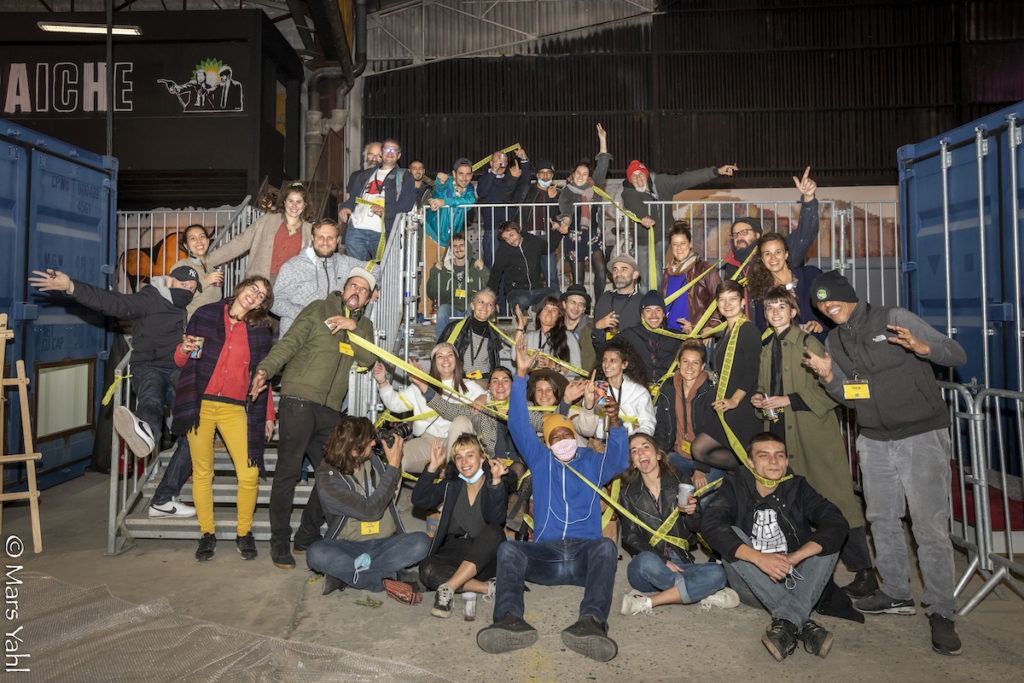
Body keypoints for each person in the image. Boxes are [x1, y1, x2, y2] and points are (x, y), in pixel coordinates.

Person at [803, 270, 967, 656]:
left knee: (928, 526)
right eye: (820, 304)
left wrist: (923, 348)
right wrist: (829, 378)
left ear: (848, 294)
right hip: (874, 440)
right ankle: (895, 593)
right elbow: (853, 395)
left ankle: (941, 610)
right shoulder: (835, 340)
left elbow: (956, 354)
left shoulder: (894, 318)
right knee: (881, 519)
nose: (827, 307)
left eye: (831, 298)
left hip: (921, 435)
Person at [476, 335, 628, 662]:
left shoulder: (591, 462)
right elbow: (518, 424)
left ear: (574, 437)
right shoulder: (541, 461)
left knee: (606, 547)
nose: (561, 440)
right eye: (555, 437)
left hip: (584, 556)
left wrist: (615, 423)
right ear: (547, 443)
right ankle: (508, 619)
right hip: (546, 555)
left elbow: (618, 461)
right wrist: (520, 375)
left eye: (565, 435)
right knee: (508, 549)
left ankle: (591, 623)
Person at [250, 268, 377, 569]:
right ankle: (279, 540)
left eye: (363, 289)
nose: (357, 291)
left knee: (334, 473)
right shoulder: (319, 308)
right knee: (288, 471)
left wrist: (353, 328)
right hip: (298, 399)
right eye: (353, 285)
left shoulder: (365, 325)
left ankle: (306, 535)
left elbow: (368, 358)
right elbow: (290, 342)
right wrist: (266, 369)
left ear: (368, 298)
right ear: (344, 288)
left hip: (330, 408)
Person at [28, 265, 200, 470]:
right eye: (184, 285)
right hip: (149, 366)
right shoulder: (149, 299)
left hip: (176, 367)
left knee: (192, 420)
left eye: (192, 288)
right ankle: (147, 433)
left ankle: (171, 479)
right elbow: (113, 302)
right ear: (169, 281)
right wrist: (72, 286)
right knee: (151, 396)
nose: (188, 290)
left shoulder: (181, 307)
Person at [701, 432, 849, 662]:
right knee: (733, 535)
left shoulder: (797, 486)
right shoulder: (735, 485)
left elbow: (836, 521)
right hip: (752, 585)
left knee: (827, 540)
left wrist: (795, 557)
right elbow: (711, 525)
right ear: (750, 462)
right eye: (764, 455)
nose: (773, 461)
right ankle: (802, 622)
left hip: (796, 578)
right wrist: (760, 559)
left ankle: (787, 623)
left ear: (786, 461)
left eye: (779, 455)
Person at [171, 277, 275, 561]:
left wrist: (268, 413)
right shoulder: (206, 315)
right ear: (241, 287)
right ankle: (207, 533)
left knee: (249, 473)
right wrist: (182, 350)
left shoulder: (260, 330)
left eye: (262, 295)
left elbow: (262, 376)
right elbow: (183, 361)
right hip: (200, 403)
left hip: (235, 408)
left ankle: (244, 532)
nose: (255, 295)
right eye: (253, 288)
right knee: (202, 473)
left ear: (263, 305)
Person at [305, 416, 431, 602]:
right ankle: (388, 578)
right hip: (348, 546)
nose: (373, 443)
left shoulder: (373, 458)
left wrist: (393, 448)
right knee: (315, 554)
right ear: (354, 451)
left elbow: (385, 451)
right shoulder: (327, 479)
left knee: (422, 542)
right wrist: (393, 467)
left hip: (385, 544)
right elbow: (370, 511)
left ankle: (347, 576)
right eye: (368, 441)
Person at [618, 433, 738, 615]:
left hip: (681, 561)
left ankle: (650, 601)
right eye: (634, 451)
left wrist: (693, 513)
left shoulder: (680, 481)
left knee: (717, 572)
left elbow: (694, 529)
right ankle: (698, 591)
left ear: (658, 455)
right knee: (644, 562)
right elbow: (630, 537)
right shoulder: (627, 492)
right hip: (650, 564)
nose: (640, 453)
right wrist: (662, 560)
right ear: (633, 463)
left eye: (645, 447)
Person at [413, 435, 509, 618]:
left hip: (484, 557)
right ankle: (487, 587)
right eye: (459, 457)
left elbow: (497, 518)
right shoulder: (452, 484)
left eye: (470, 455)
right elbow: (420, 500)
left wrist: (496, 482)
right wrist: (432, 467)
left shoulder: (492, 484)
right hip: (454, 552)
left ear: (482, 458)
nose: (464, 462)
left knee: (494, 531)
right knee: (427, 570)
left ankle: (448, 588)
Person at [373, 343, 486, 472]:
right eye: (440, 356)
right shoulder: (420, 385)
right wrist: (382, 382)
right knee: (396, 458)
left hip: (459, 445)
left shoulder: (470, 386)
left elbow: (494, 401)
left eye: (450, 355)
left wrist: (485, 397)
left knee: (461, 420)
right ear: (434, 363)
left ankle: (452, 474)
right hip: (428, 442)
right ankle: (385, 486)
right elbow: (395, 404)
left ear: (456, 360)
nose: (446, 359)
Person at [622, 160, 737, 282]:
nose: (638, 179)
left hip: (662, 238)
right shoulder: (628, 191)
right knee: (644, 278)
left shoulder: (662, 182)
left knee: (656, 268)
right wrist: (644, 217)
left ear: (646, 175)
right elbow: (634, 203)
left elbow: (686, 178)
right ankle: (646, 292)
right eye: (634, 176)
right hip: (642, 239)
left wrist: (715, 171)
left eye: (640, 174)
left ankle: (658, 293)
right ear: (630, 180)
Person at [700, 280, 762, 471]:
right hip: (725, 402)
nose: (727, 304)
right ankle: (745, 472)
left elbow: (753, 371)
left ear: (743, 302)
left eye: (732, 299)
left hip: (740, 405)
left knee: (701, 449)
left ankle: (751, 471)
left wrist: (734, 400)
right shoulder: (726, 331)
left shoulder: (747, 330)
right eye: (722, 300)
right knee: (701, 450)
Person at [722, 168, 818, 286]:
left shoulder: (772, 256)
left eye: (744, 232)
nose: (739, 237)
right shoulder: (731, 264)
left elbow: (805, 234)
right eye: (735, 234)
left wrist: (809, 200)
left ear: (758, 235)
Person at [271, 218, 367, 336]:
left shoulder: (344, 262)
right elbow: (274, 302)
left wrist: (372, 286)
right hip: (296, 338)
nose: (325, 242)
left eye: (330, 238)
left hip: (328, 340)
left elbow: (374, 269)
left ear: (337, 240)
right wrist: (308, 313)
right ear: (312, 238)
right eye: (320, 237)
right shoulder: (293, 266)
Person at [653, 340, 726, 492]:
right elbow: (661, 425)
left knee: (697, 496)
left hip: (707, 461)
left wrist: (700, 468)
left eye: (695, 363)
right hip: (677, 455)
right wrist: (659, 454)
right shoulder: (668, 387)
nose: (689, 367)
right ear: (679, 363)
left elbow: (714, 434)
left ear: (702, 366)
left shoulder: (711, 392)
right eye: (685, 361)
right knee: (659, 485)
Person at [207, 182, 312, 283]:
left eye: (299, 202)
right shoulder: (267, 220)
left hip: (291, 287)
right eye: (291, 201)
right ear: (284, 202)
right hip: (261, 284)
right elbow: (240, 243)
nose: (294, 206)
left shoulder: (309, 231)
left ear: (305, 205)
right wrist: (207, 261)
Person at [555, 124, 611, 302]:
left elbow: (603, 165)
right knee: (578, 279)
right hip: (574, 236)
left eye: (585, 174)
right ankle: (580, 308)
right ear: (573, 175)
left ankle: (600, 305)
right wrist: (565, 223)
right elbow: (566, 210)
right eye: (578, 173)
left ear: (589, 177)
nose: (580, 176)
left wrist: (602, 139)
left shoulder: (594, 188)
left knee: (601, 269)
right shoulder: (567, 192)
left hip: (592, 234)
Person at [339, 138, 416, 260]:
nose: (390, 153)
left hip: (383, 232)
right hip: (356, 229)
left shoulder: (405, 176)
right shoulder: (364, 175)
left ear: (399, 155)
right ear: (382, 153)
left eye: (394, 151)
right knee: (355, 268)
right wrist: (345, 207)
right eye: (387, 149)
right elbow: (353, 198)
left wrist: (386, 211)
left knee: (383, 270)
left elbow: (407, 203)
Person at [746, 232, 827, 341]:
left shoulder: (811, 275)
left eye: (778, 252)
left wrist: (820, 324)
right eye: (767, 254)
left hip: (819, 344)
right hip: (785, 348)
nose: (773, 258)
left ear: (786, 254)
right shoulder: (762, 292)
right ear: (762, 259)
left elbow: (833, 305)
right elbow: (763, 332)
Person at [576, 339, 655, 439]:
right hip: (602, 444)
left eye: (612, 360)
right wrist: (630, 428)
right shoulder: (596, 390)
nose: (606, 365)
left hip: (630, 444)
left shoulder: (639, 392)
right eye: (604, 360)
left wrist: (623, 431)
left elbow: (648, 427)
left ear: (624, 364)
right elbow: (590, 430)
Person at [486, 220, 562, 314]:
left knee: (557, 294)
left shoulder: (533, 241)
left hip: (537, 289)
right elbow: (495, 276)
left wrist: (558, 231)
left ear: (518, 230)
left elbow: (550, 247)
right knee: (522, 299)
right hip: (516, 291)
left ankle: (536, 311)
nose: (510, 241)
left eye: (511, 235)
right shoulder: (503, 251)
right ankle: (519, 317)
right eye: (506, 239)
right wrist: (491, 300)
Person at [659, 220, 721, 334]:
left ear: (690, 243)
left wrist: (711, 327)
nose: (679, 248)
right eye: (675, 244)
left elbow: (718, 297)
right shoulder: (668, 273)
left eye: (683, 243)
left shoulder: (705, 269)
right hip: (669, 334)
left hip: (695, 333)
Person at [475, 146, 532, 266]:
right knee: (493, 264)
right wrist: (493, 172)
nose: (501, 165)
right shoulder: (484, 179)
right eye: (498, 162)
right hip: (493, 229)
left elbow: (525, 183)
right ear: (491, 163)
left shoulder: (510, 179)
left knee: (511, 265)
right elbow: (482, 192)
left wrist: (524, 161)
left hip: (510, 229)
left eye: (504, 162)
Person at [427, 231, 489, 339]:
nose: (458, 248)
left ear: (467, 247)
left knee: (474, 308)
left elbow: (489, 289)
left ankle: (472, 343)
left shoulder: (475, 266)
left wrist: (482, 270)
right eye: (455, 246)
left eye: (461, 245)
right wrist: (435, 272)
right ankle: (441, 345)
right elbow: (432, 294)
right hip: (451, 308)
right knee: (442, 310)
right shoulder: (444, 268)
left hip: (469, 308)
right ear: (451, 250)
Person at [439, 289, 506, 380]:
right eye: (481, 302)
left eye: (489, 304)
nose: (485, 307)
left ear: (492, 309)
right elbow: (437, 356)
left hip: (483, 381)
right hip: (458, 380)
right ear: (472, 305)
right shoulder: (454, 328)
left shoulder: (494, 334)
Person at [618, 290, 682, 385]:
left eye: (658, 310)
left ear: (663, 313)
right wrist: (598, 330)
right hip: (639, 388)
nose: (654, 315)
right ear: (642, 314)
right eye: (648, 310)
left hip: (667, 389)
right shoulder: (631, 334)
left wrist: (693, 337)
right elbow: (605, 351)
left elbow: (698, 356)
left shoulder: (675, 337)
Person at [523, 157, 562, 289]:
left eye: (549, 173)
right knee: (529, 277)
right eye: (542, 173)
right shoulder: (527, 190)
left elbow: (559, 216)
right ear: (537, 175)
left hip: (547, 239)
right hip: (528, 237)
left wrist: (552, 199)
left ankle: (555, 301)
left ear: (552, 175)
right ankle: (532, 302)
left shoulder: (559, 193)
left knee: (551, 276)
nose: (545, 176)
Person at [591, 254, 643, 350]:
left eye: (624, 269)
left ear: (635, 274)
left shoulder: (642, 301)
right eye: (615, 269)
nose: (618, 273)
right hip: (605, 356)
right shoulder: (604, 298)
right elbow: (596, 341)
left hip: (633, 357)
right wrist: (598, 327)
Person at [518, 296, 582, 374]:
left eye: (554, 310)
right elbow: (514, 355)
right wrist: (520, 326)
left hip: (560, 381)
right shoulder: (530, 337)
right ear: (539, 313)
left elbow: (577, 370)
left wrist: (554, 365)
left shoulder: (569, 337)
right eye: (545, 309)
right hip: (535, 380)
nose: (549, 313)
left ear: (559, 316)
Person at [425, 157, 477, 253]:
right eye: (461, 173)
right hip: (432, 236)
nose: (465, 178)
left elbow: (470, 201)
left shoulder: (469, 187)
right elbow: (440, 188)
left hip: (452, 240)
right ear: (454, 174)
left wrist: (445, 202)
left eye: (468, 174)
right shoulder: (447, 182)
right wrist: (440, 182)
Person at [172, 224, 224, 317]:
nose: (199, 241)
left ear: (208, 241)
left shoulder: (212, 269)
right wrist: (205, 282)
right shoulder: (182, 266)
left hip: (211, 321)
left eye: (202, 236)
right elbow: (177, 297)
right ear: (186, 245)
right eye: (193, 238)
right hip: (190, 322)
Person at [561, 284, 597, 372]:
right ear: (564, 304)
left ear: (584, 309)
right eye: (572, 302)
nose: (576, 308)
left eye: (580, 304)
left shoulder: (591, 332)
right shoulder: (554, 329)